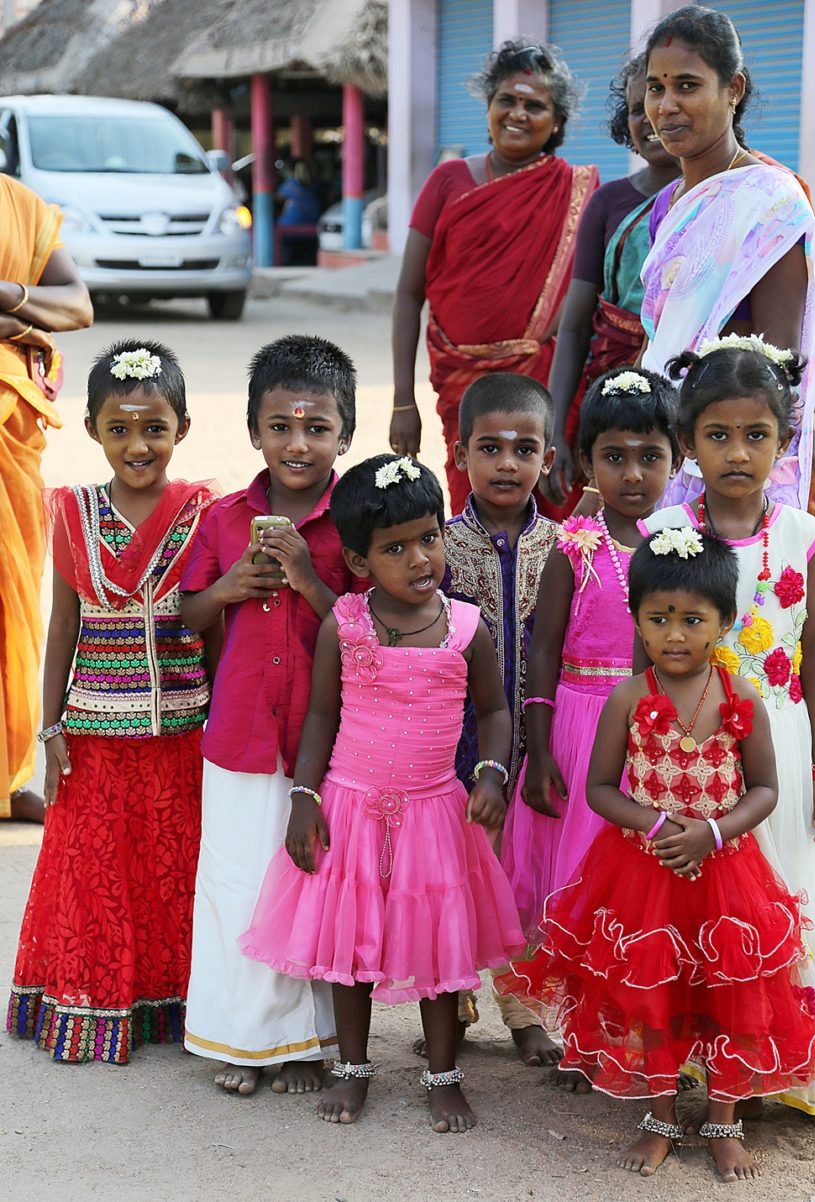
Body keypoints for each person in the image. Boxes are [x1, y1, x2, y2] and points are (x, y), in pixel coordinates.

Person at [496, 529, 815, 1181]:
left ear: (724, 622)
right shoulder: (628, 697)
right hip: (644, 873)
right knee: (651, 997)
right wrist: (654, 824)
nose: (674, 634)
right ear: (637, 621)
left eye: (692, 620)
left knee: (731, 997)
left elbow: (765, 789)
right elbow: (599, 789)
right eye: (658, 619)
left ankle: (723, 1122)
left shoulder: (741, 698)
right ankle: (659, 1118)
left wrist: (713, 832)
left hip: (726, 873)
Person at [239, 455, 524, 1133]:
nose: (420, 558)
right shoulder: (345, 623)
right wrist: (304, 796)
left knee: (438, 946)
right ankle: (354, 1067)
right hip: (350, 804)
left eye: (429, 537)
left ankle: (443, 1076)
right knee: (350, 945)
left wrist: (491, 772)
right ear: (359, 562)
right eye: (395, 549)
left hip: (434, 810)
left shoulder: (466, 627)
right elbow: (321, 716)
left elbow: (494, 711)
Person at [640, 338, 815, 1138]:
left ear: (785, 441)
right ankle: (711, 1070)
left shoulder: (803, 534)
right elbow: (642, 654)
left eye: (756, 435)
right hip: (694, 756)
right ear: (688, 441)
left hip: (779, 750)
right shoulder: (663, 530)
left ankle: (795, 1070)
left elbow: (813, 654)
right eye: (717, 435)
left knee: (785, 899)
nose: (737, 453)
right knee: (707, 911)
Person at [7, 339, 216, 1062]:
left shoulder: (201, 512)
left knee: (172, 870)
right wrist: (49, 728)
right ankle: (95, 1006)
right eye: (119, 429)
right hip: (94, 733)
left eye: (154, 428)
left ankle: (174, 1005)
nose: (138, 445)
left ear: (182, 428)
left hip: (182, 729)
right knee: (98, 874)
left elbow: (214, 625)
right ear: (92, 429)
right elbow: (63, 623)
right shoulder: (74, 512)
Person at [180, 335, 358, 1097]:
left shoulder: (354, 521)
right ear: (254, 431)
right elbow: (189, 611)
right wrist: (228, 590)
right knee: (239, 884)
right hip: (242, 736)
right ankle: (246, 1040)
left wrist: (307, 580)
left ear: (345, 435)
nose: (298, 443)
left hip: (327, 739)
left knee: (310, 880)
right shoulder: (224, 519)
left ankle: (308, 1041)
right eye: (280, 426)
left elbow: (369, 624)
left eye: (317, 427)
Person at [502, 369, 678, 968]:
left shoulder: (682, 546)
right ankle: (580, 1008)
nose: (632, 474)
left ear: (678, 460)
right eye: (614, 457)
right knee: (579, 872)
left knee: (641, 879)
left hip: (653, 732)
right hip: (580, 733)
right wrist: (538, 748)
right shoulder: (573, 549)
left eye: (650, 456)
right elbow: (543, 651)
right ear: (586, 463)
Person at [390, 38, 599, 516]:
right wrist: (404, 401)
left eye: (535, 105)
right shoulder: (447, 182)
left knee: (554, 530)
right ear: (488, 108)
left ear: (557, 122)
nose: (517, 114)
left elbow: (586, 305)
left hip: (549, 388)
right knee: (473, 520)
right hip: (462, 388)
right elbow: (407, 294)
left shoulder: (578, 191)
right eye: (507, 100)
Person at [640, 4, 815, 510]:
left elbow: (777, 368)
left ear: (734, 89)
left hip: (732, 471)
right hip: (661, 449)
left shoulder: (770, 204)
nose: (666, 106)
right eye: (656, 88)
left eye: (687, 85)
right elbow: (661, 337)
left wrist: (719, 453)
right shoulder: (669, 204)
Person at [441, 372, 560, 1066]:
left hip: (541, 743)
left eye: (524, 449)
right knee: (456, 876)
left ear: (549, 458)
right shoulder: (439, 545)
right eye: (490, 448)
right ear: (461, 455)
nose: (507, 463)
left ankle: (524, 1012)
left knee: (525, 883)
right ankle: (453, 1003)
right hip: (456, 744)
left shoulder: (565, 548)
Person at [542, 54, 680, 513]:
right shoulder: (608, 202)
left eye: (667, 99)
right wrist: (555, 430)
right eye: (638, 108)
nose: (652, 117)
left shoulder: (722, 197)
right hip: (609, 396)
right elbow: (576, 324)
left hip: (688, 397)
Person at [0, 174, 93, 822]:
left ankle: (8, 777)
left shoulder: (18, 206)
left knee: (13, 606)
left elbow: (78, 305)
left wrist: (11, 298)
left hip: (11, 427)